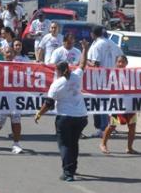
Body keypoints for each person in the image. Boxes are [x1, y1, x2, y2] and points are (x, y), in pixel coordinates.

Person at [35, 40, 90, 182]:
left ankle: (68, 173)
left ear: (58, 71)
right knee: (74, 143)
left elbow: (48, 103)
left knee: (64, 145)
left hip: (65, 118)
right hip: (81, 117)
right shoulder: (76, 76)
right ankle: (72, 167)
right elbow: (82, 64)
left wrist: (39, 113)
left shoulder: (56, 84)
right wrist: (84, 48)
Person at [0, 46, 24, 154]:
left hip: (15, 97)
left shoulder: (20, 66)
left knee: (16, 121)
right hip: (2, 97)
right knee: (0, 122)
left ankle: (16, 144)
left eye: (11, 52)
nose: (9, 54)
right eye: (7, 52)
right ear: (4, 54)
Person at [87, 26, 123, 137]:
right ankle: (113, 127)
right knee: (113, 104)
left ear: (93, 34)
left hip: (101, 78)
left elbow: (96, 64)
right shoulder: (113, 44)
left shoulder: (96, 45)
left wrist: (85, 61)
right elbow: (122, 59)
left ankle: (103, 129)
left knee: (101, 104)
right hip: (114, 77)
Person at [99, 54, 137, 155]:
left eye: (123, 62)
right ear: (116, 63)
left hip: (130, 105)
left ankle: (129, 147)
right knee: (112, 126)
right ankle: (103, 144)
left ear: (126, 63)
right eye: (119, 62)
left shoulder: (131, 74)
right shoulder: (111, 74)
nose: (121, 64)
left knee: (132, 127)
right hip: (116, 105)